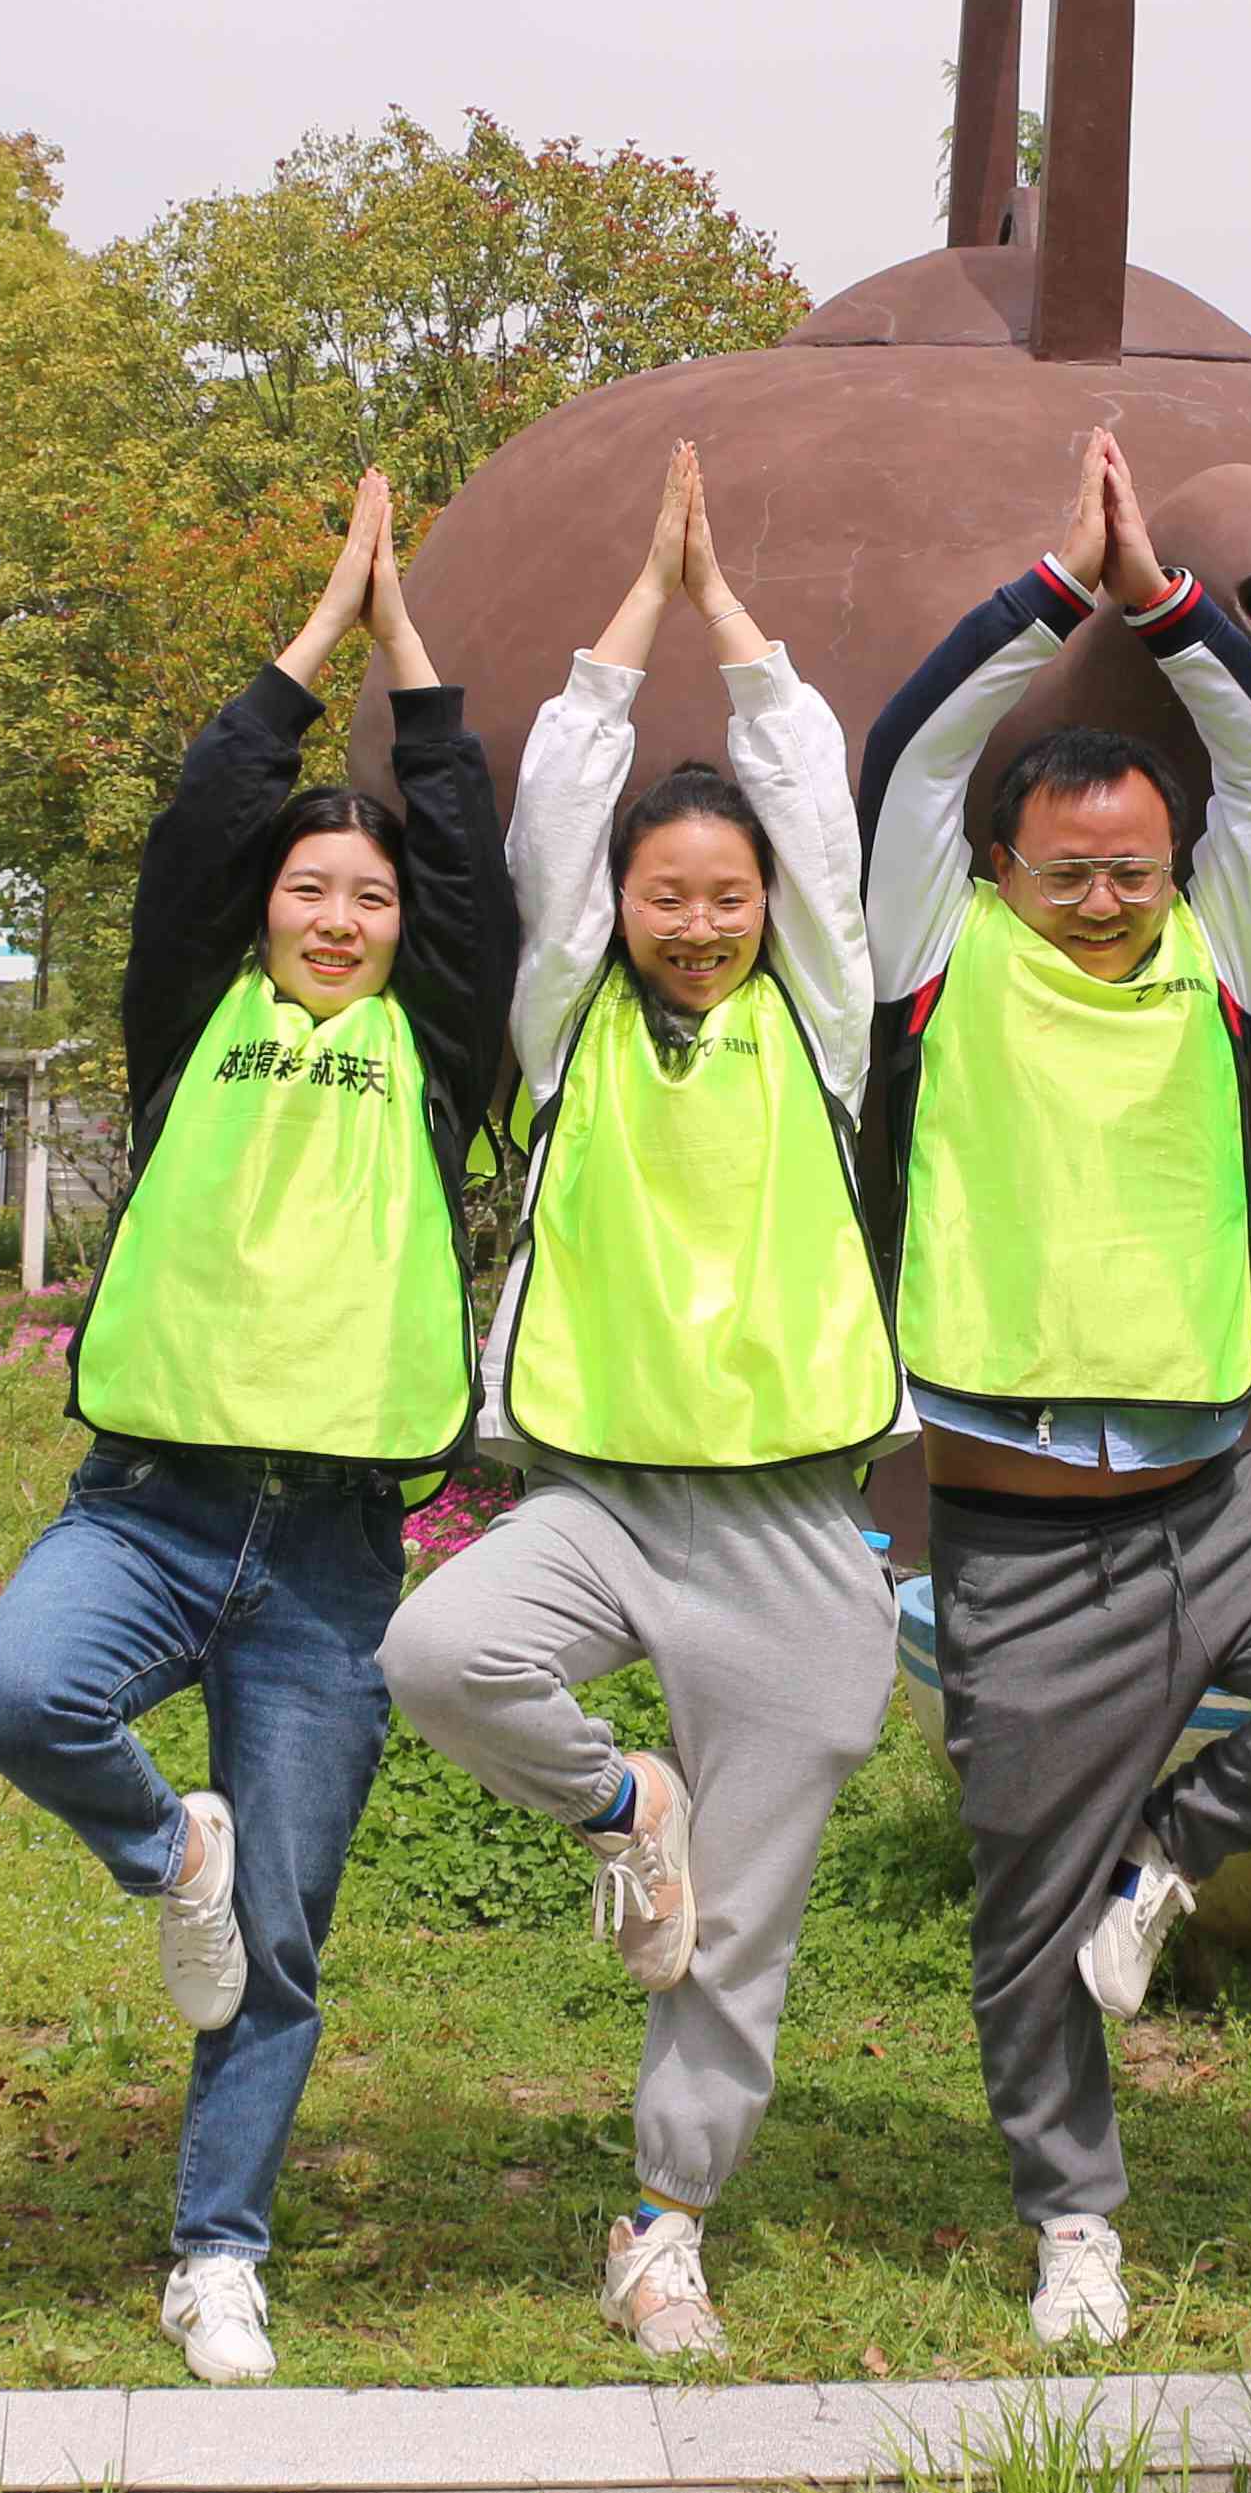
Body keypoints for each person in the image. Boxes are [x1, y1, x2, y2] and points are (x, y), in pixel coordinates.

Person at [859, 426, 1251, 2350]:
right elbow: (912, 757)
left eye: (1133, 867)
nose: (1106, 896)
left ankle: (1178, 1850)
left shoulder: (1219, 954)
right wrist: (1056, 592)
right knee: (1023, 1926)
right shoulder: (936, 956)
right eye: (1073, 872)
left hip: (1223, 1501)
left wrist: (1171, 609)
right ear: (1005, 867)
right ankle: (1072, 2220)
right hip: (1025, 1538)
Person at [0, 472, 516, 2389]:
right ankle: (155, 1850)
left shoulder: (437, 1049)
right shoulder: (187, 1011)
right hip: (156, 1505)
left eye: (368, 895)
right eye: (310, 888)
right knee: (16, 1695)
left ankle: (220, 2247)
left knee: (285, 1924)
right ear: (261, 912)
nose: (342, 914)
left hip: (341, 1544)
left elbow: (472, 870)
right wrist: (316, 636)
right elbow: (200, 822)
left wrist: (413, 667)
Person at [379, 444, 905, 2361]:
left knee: (744, 1921)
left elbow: (820, 818)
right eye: (665, 899)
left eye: (725, 896)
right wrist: (634, 615)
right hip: (596, 1499)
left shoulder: (823, 1024)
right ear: (620, 911)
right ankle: (626, 1803)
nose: (698, 921)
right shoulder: (563, 1023)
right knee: (438, 1657)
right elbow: (558, 815)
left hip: (784, 1519)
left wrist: (734, 620)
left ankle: (666, 2219)